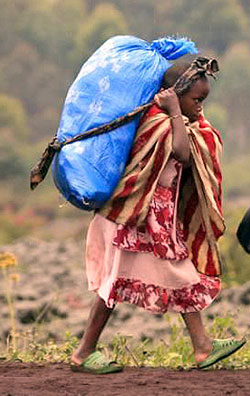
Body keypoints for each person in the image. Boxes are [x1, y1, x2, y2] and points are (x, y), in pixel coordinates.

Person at [70, 57, 246, 374]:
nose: (200, 107)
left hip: (155, 221)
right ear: (172, 95)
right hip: (132, 219)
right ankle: (83, 353)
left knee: (180, 276)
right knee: (113, 285)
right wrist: (177, 113)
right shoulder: (157, 121)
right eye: (196, 100)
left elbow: (197, 145)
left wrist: (182, 114)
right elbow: (181, 152)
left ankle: (202, 347)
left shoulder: (177, 121)